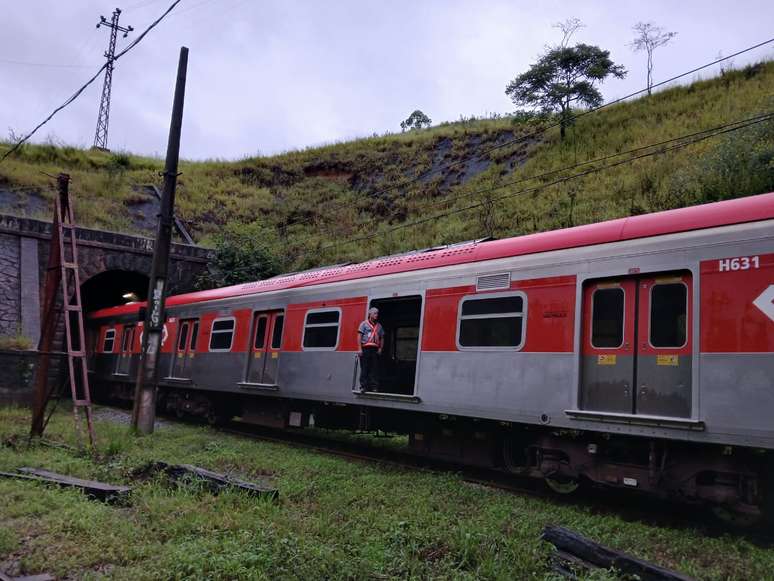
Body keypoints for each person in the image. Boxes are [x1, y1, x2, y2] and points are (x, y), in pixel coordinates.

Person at [357, 307, 384, 392]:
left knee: (374, 368)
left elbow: (382, 337)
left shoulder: (379, 326)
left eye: (377, 313)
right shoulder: (363, 324)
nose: (377, 315)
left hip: (374, 349)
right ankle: (363, 386)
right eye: (375, 313)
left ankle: (374, 387)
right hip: (365, 348)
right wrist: (359, 349)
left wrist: (380, 348)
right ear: (370, 314)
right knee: (364, 368)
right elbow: (359, 336)